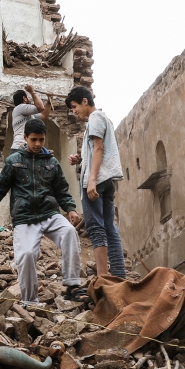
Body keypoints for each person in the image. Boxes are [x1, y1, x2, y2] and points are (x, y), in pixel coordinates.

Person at [0, 118, 88, 304]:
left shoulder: (52, 162)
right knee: (26, 255)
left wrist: (70, 209)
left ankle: (72, 286)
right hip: (25, 217)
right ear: (25, 138)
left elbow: (61, 190)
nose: (37, 144)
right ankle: (30, 302)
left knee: (68, 232)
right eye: (33, 139)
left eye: (41, 140)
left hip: (49, 214)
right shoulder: (14, 162)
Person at [65, 86, 126, 278]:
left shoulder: (95, 118)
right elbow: (96, 151)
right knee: (109, 227)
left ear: (85, 101)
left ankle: (103, 277)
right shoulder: (103, 119)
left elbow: (99, 149)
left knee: (95, 227)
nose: (74, 111)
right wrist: (80, 158)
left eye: (75, 106)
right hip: (107, 180)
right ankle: (118, 275)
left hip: (97, 181)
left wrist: (91, 181)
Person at [10, 85, 52, 155]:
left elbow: (44, 115)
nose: (30, 99)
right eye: (28, 97)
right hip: (20, 148)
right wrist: (32, 91)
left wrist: (49, 100)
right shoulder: (20, 108)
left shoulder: (28, 114)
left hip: (25, 148)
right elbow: (40, 108)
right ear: (24, 98)